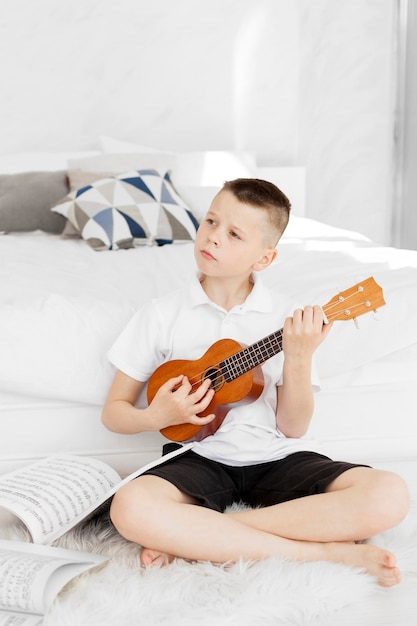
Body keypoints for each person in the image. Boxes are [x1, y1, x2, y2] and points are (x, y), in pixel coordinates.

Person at [102, 178, 409, 587]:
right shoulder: (161, 314)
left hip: (276, 458)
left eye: (233, 234)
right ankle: (324, 552)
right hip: (198, 457)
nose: (212, 236)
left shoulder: (286, 317)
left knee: (390, 493)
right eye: (211, 221)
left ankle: (210, 534)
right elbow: (114, 413)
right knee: (130, 506)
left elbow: (293, 427)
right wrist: (155, 414)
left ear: (264, 258)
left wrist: (299, 357)